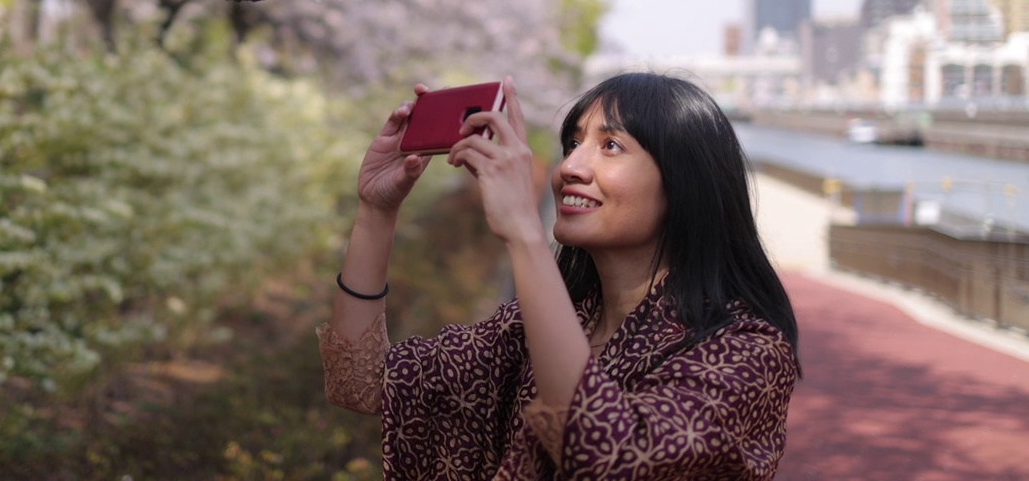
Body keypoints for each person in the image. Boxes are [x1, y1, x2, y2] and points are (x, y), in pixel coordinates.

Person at [317, 72, 801, 480]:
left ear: (684, 184)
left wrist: (524, 232)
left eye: (610, 145)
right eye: (573, 143)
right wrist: (375, 214)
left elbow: (601, 455)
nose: (571, 166)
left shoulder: (748, 350)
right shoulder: (539, 326)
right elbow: (360, 382)